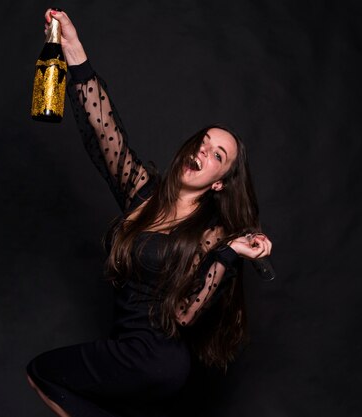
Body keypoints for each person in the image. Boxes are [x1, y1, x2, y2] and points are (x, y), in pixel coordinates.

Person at [26, 8, 273, 417]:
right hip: (126, 351)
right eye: (204, 142)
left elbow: (185, 313)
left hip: (158, 360)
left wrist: (229, 254)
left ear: (219, 182)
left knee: (44, 371)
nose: (203, 152)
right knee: (46, 374)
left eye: (218, 155)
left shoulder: (211, 233)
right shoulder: (143, 194)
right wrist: (71, 46)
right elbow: (106, 131)